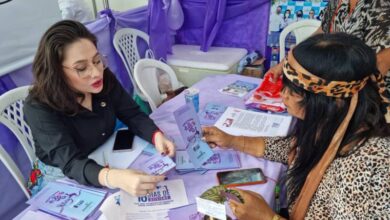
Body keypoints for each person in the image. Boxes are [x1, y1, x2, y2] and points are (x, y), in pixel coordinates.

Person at [203, 33, 390, 219]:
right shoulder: (328, 125)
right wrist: (232, 140)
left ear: (332, 101)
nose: (283, 95)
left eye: (294, 92)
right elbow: (292, 148)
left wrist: (267, 217)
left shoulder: (369, 167)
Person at [23, 20, 175, 196]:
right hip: (62, 174)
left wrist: (156, 136)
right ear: (56, 71)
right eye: (81, 68)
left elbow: (132, 114)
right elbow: (71, 163)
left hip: (102, 155)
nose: (96, 72)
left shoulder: (103, 78)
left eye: (97, 60)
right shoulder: (39, 107)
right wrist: (115, 178)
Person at [267, 0, 390, 96]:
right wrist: (287, 61)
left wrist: (337, 101)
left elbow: (380, 64)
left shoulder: (382, 5)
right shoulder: (338, 2)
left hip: (371, 95)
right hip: (337, 88)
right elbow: (322, 33)